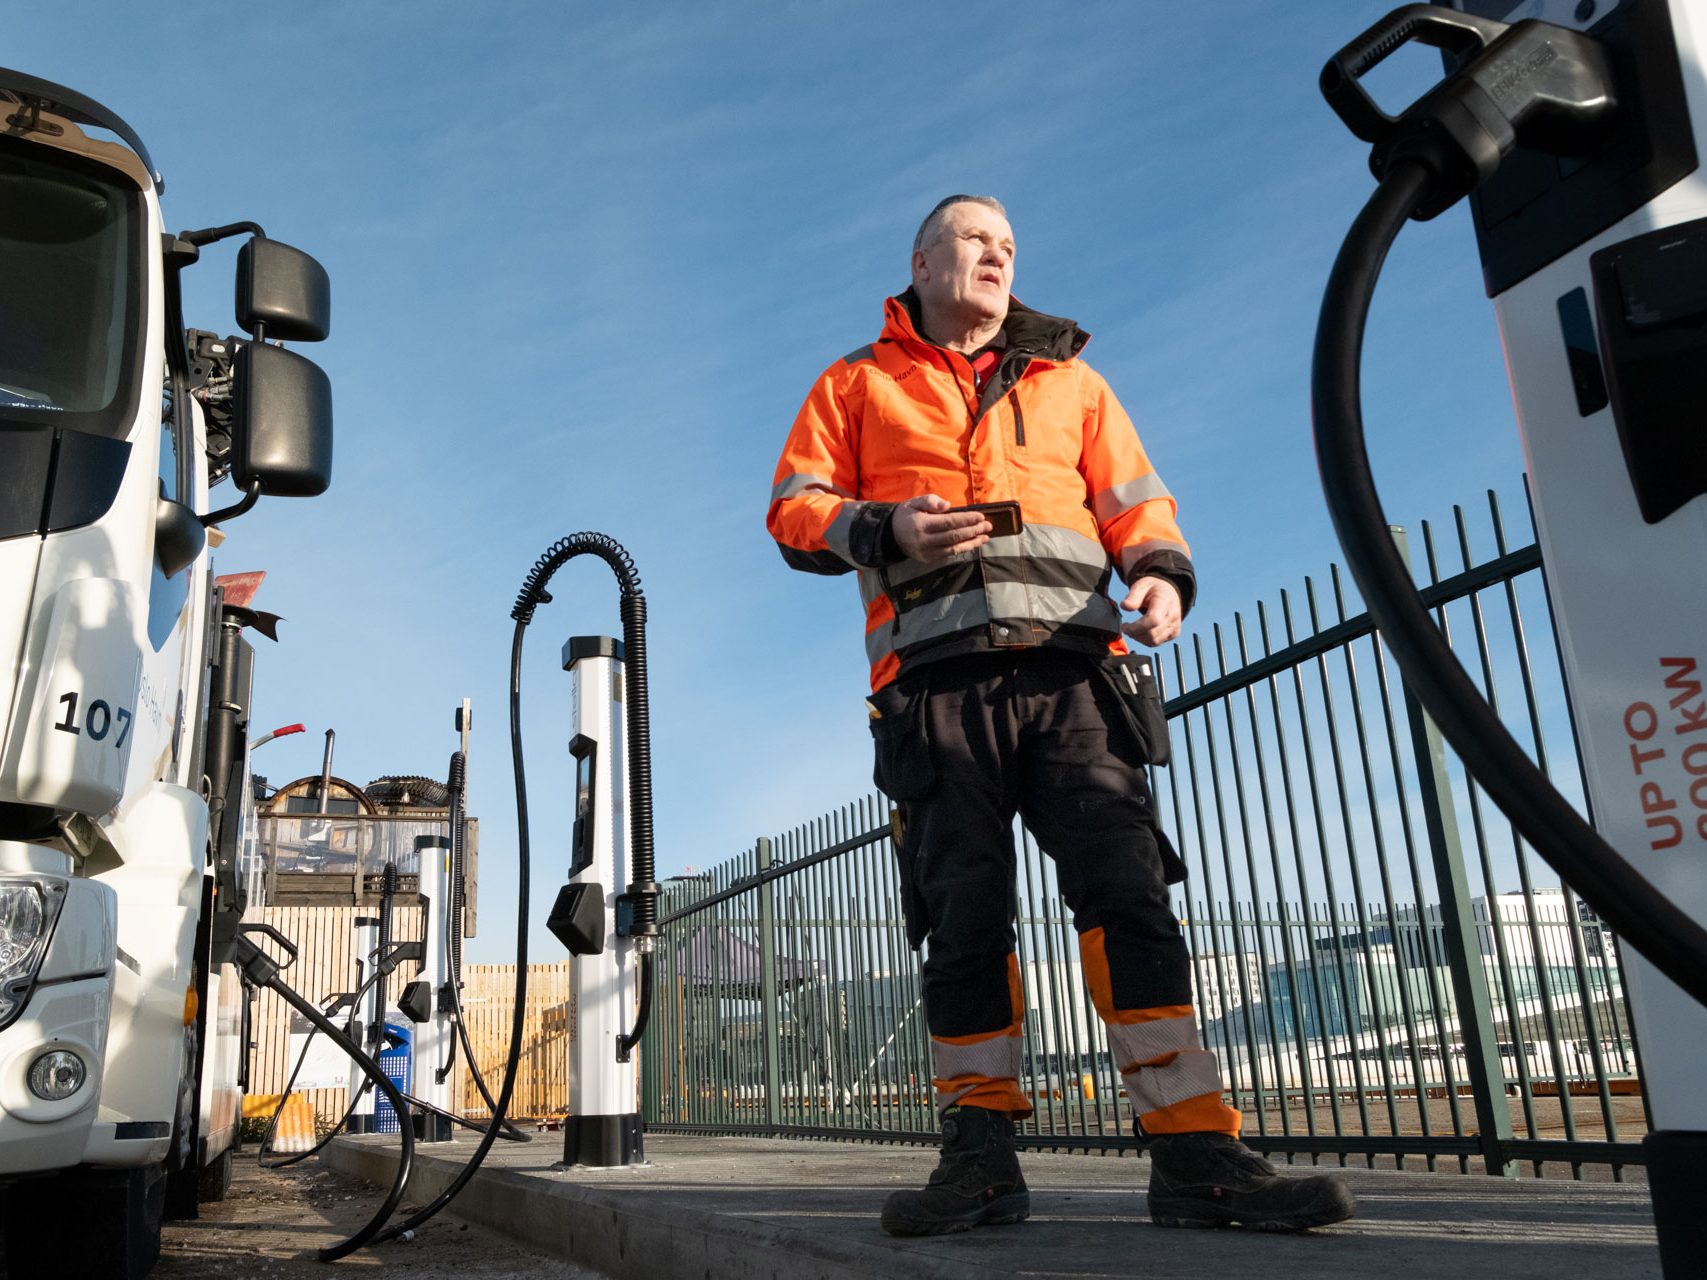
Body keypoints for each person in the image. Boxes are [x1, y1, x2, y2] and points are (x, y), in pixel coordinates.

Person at [766, 195, 1355, 1237]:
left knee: (1128, 898)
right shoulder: (854, 381)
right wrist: (885, 522)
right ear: (921, 260)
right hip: (934, 688)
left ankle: (1194, 1154)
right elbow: (795, 508)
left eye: (1009, 245)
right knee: (964, 918)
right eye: (976, 240)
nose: (1000, 255)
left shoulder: (1072, 378)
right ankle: (980, 1157)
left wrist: (1164, 575)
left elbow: (1136, 500)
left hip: (1079, 676)